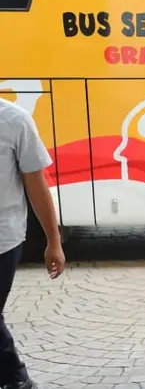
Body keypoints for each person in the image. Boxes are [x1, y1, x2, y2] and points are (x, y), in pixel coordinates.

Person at [0, 98, 66, 389]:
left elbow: (36, 184)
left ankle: (16, 378)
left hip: (3, 240)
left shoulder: (14, 120)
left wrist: (53, 240)